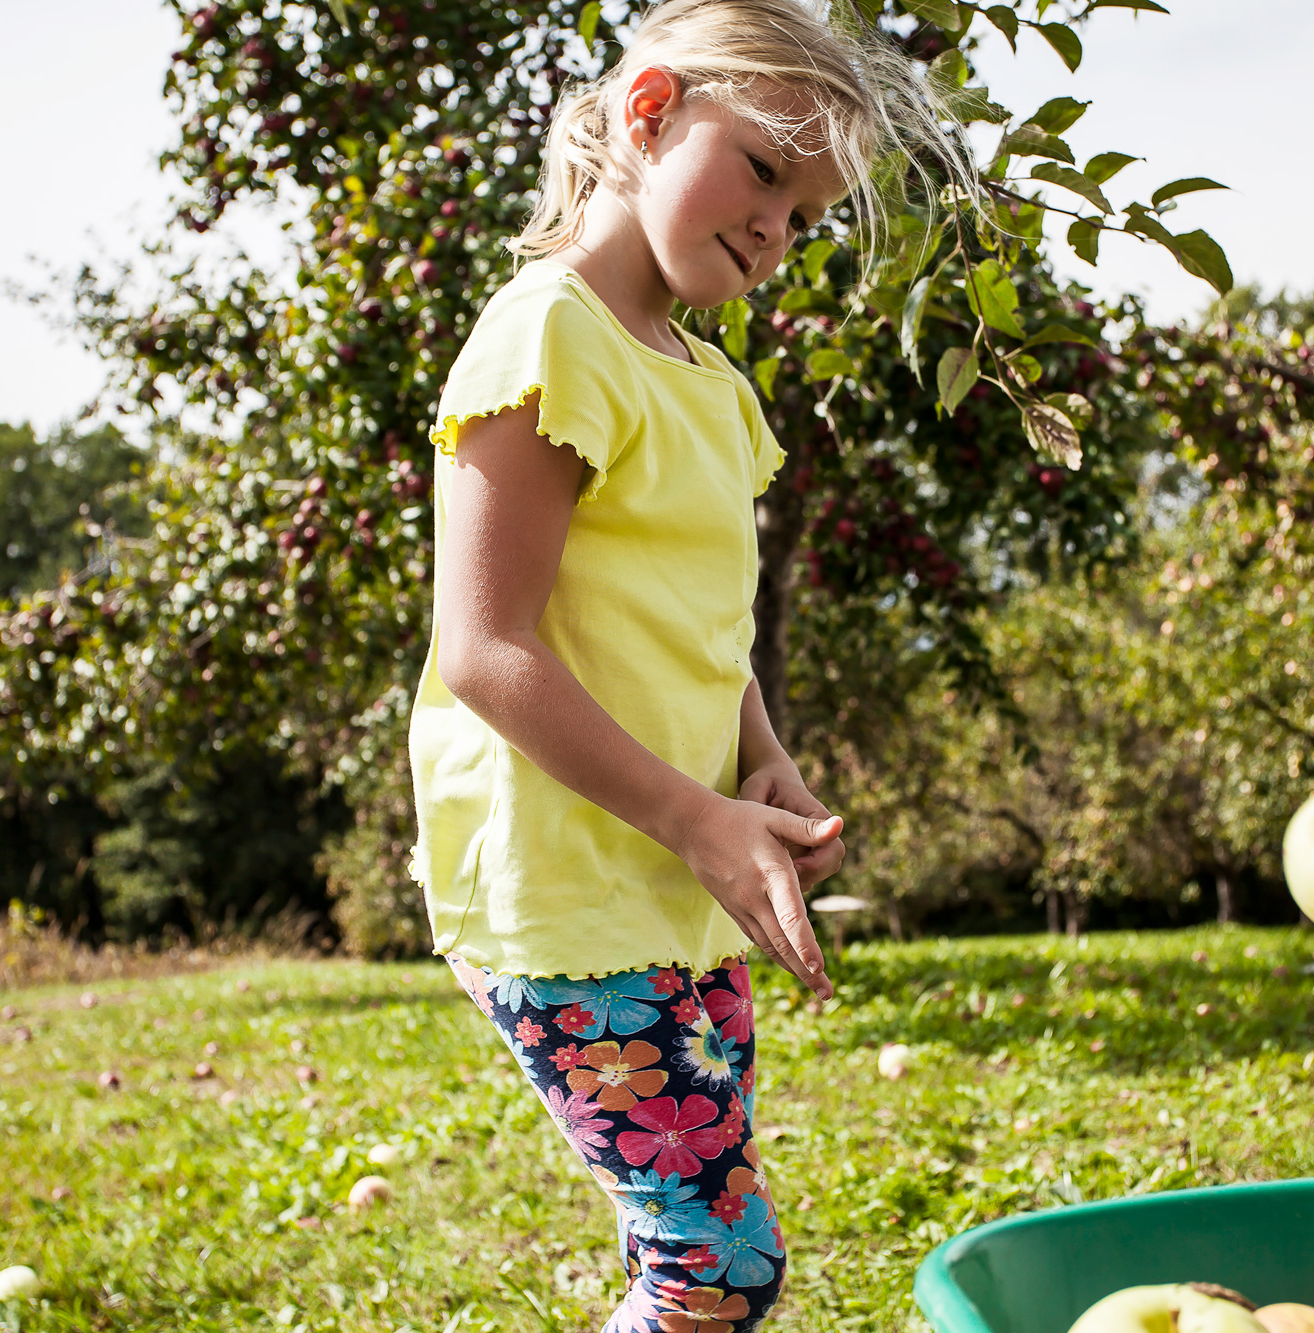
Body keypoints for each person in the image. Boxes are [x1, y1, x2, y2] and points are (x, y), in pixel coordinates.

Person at [407, 1, 967, 1326]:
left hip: (671, 877)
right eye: (765, 170)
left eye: (810, 212)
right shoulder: (551, 333)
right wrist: (695, 815)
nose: (779, 226)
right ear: (650, 111)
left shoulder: (710, 385)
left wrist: (757, 763)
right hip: (570, 879)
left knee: (686, 1242)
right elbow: (483, 648)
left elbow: (701, 626)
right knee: (718, 1261)